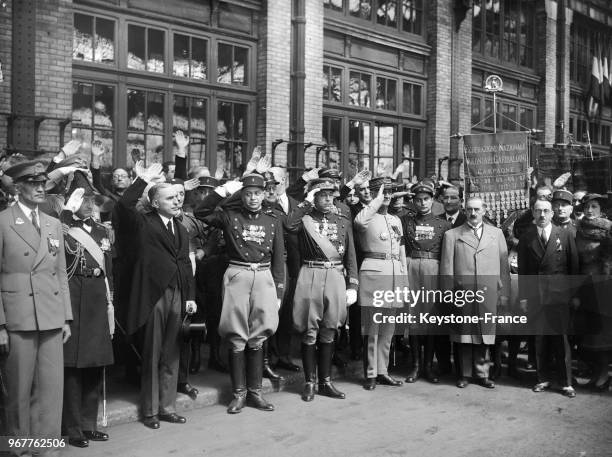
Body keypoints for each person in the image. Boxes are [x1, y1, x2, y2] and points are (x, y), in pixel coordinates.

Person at [194, 173, 285, 414]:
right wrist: (222, 191)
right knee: (236, 335)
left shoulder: (272, 218)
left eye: (257, 193)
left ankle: (256, 393)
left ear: (264, 194)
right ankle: (239, 394)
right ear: (241, 195)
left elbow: (278, 258)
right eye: (247, 193)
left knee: (259, 334)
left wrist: (278, 291)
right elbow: (201, 212)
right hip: (237, 275)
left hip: (264, 277)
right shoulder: (229, 216)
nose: (253, 198)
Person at [115, 162, 196, 429]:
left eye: (177, 197)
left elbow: (184, 263)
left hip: (177, 294)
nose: (176, 201)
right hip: (152, 296)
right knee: (152, 353)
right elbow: (124, 205)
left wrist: (190, 296)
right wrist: (142, 180)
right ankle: (150, 411)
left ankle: (167, 406)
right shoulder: (142, 223)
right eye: (170, 198)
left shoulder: (181, 228)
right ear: (155, 202)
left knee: (171, 352)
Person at [0, 161, 72, 453]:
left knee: (51, 390)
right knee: (18, 391)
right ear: (18, 187)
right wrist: (1, 325)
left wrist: (66, 317)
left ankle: (46, 447)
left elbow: (59, 274)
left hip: (52, 316)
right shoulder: (3, 221)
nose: (41, 188)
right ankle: (19, 449)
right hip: (19, 317)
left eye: (43, 183)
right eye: (33, 183)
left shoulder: (53, 223)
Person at [287, 178, 358, 402]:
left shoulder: (343, 220)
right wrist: (305, 203)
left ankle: (325, 382)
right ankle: (309, 382)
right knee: (310, 330)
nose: (327, 199)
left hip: (336, 275)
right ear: (314, 197)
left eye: (330, 195)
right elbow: (288, 225)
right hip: (311, 273)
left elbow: (351, 255)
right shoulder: (305, 219)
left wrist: (353, 284)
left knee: (330, 329)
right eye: (322, 194)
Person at [60, 176, 115, 447]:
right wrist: (65, 215)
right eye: (82, 198)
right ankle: (72, 428)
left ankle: (88, 423)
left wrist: (110, 302)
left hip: (96, 298)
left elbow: (109, 270)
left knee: (94, 363)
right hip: (72, 296)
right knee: (72, 367)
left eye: (91, 199)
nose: (88, 204)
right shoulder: (62, 226)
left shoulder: (102, 231)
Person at [440, 196, 510, 389]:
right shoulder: (452, 235)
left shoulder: (496, 234)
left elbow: (504, 268)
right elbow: (447, 269)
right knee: (463, 336)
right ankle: (464, 374)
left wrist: (504, 294)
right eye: (469, 209)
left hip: (488, 293)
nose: (473, 213)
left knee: (484, 334)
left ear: (484, 210)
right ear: (464, 210)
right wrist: (448, 294)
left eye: (477, 209)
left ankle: (482, 374)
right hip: (462, 293)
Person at [518, 198, 579, 398]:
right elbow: (524, 271)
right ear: (533, 214)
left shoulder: (565, 234)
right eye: (538, 211)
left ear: (552, 214)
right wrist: (524, 298)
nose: (542, 215)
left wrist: (574, 294)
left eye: (546, 211)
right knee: (540, 339)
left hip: (559, 295)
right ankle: (542, 378)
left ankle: (565, 382)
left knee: (561, 340)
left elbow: (573, 267)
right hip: (536, 295)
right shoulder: (527, 238)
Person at [354, 177, 407, 390]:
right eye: (382, 192)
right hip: (374, 274)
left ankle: (383, 371)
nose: (386, 196)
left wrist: (404, 281)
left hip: (394, 276)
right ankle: (370, 374)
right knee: (372, 329)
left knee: (388, 329)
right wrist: (375, 201)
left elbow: (401, 251)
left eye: (389, 192)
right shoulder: (366, 215)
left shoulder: (395, 219)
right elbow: (359, 223)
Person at [401, 181, 452, 383]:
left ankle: (429, 366)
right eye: (418, 199)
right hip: (412, 266)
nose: (422, 203)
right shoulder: (406, 221)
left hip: (433, 269)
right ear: (413, 201)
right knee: (414, 318)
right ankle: (415, 366)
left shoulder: (444, 224)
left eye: (426, 199)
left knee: (430, 319)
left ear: (432, 200)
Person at [575, 193, 612, 391]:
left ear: (601, 210)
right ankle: (597, 373)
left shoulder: (609, 229)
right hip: (585, 287)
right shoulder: (579, 230)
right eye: (587, 206)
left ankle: (604, 375)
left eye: (594, 206)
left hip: (604, 287)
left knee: (603, 333)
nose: (590, 210)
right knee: (589, 333)